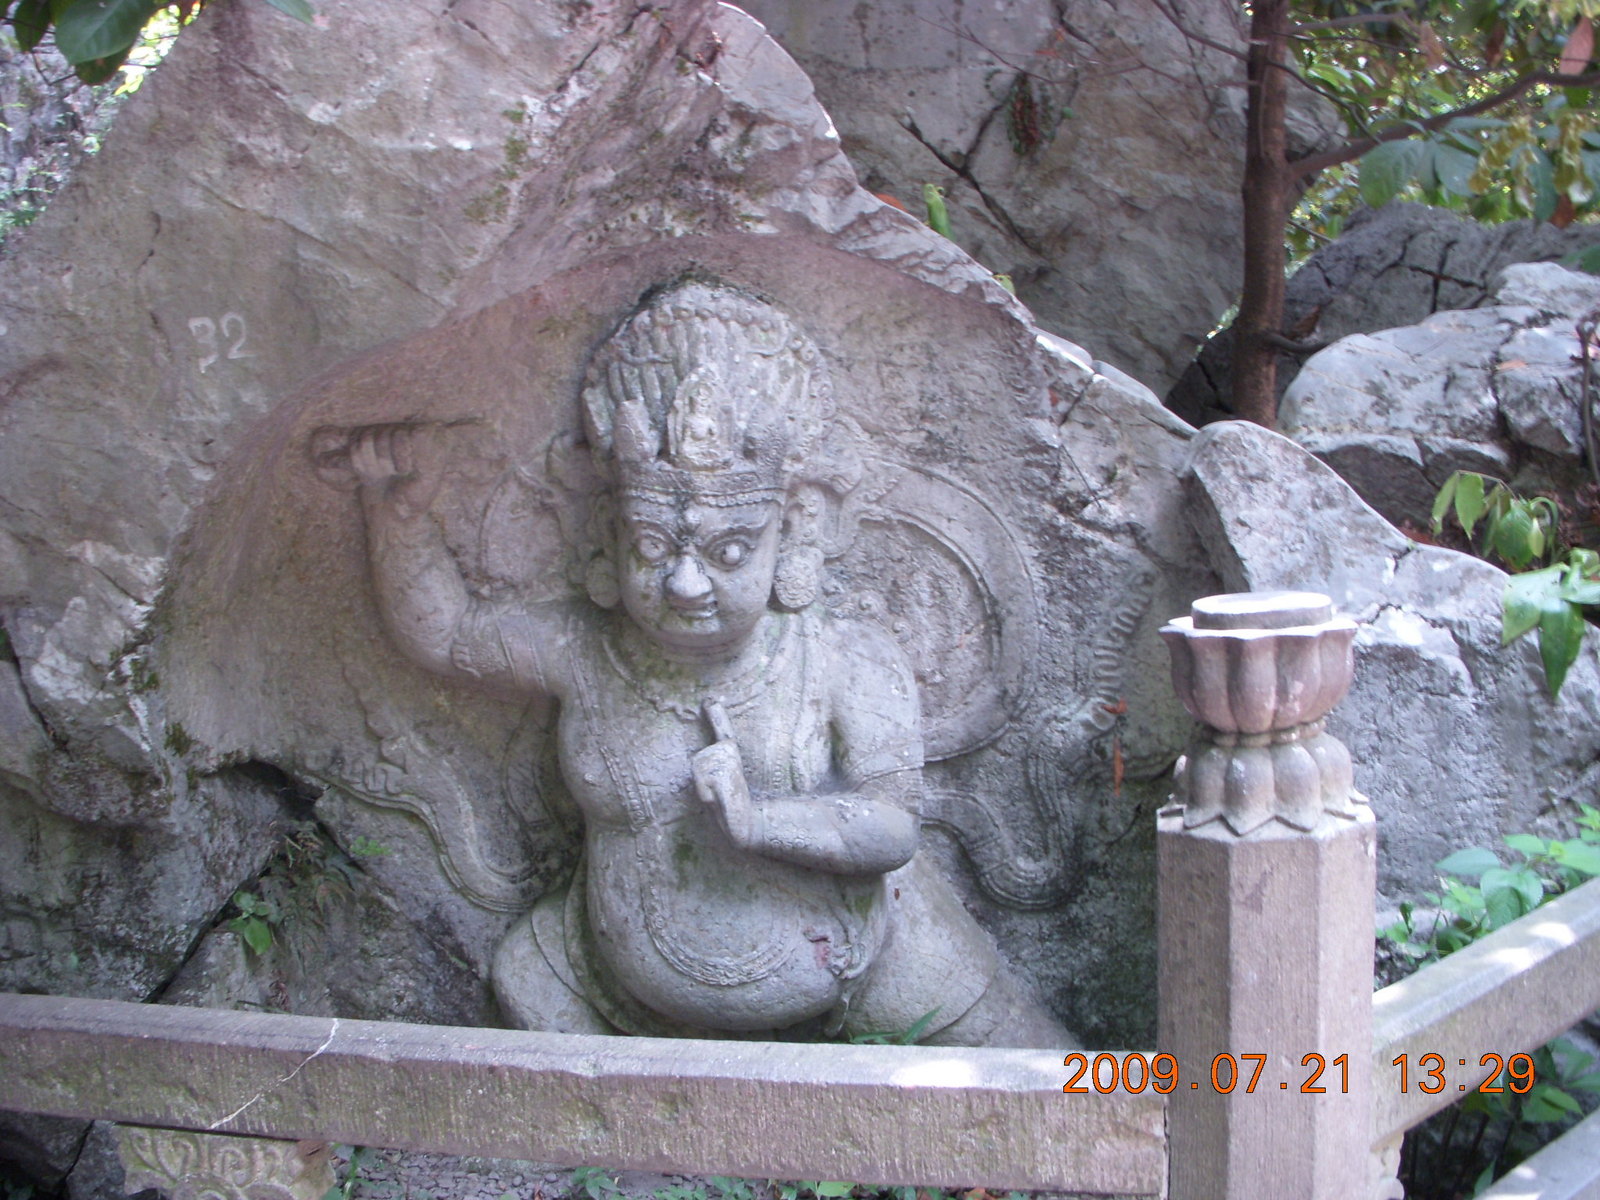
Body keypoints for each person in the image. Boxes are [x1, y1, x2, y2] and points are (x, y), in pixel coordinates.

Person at [346, 281, 1069, 1046]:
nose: (685, 584)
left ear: (794, 529)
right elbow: (449, 636)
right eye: (653, 546)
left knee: (1054, 1082)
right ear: (607, 534)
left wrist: (761, 823)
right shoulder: (585, 652)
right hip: (603, 983)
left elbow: (892, 826)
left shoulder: (843, 658)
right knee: (526, 976)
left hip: (873, 964)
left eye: (729, 551)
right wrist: (396, 513)